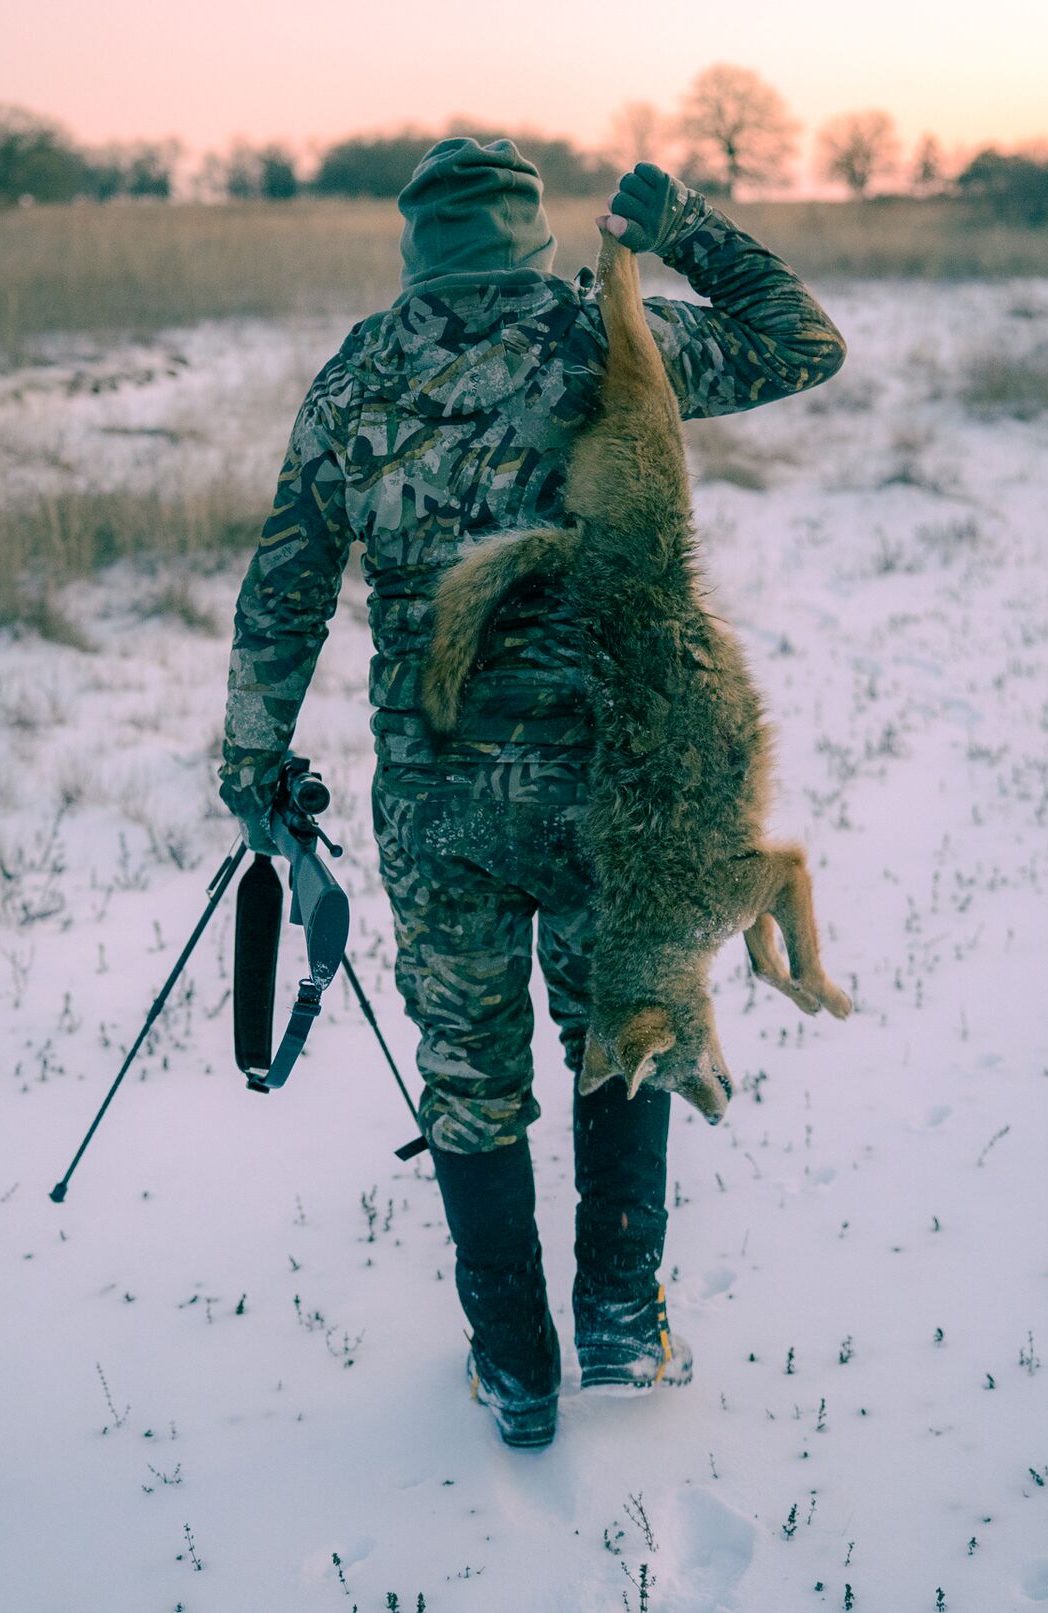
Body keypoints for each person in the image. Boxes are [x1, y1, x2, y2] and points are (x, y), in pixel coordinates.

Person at [219, 137, 844, 1448]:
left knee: (470, 1068)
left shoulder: (362, 376)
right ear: (525, 236)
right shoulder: (601, 340)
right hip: (615, 778)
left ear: (415, 249)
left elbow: (286, 585)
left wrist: (254, 762)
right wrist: (681, 223)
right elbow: (804, 342)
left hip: (442, 805)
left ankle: (512, 1362)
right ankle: (622, 1311)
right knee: (620, 1017)